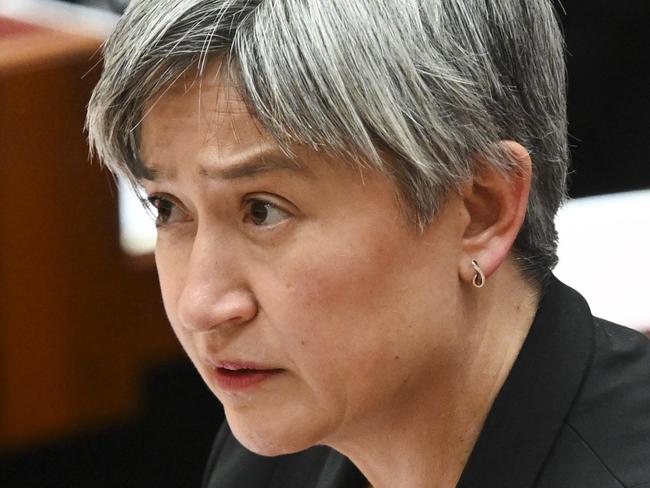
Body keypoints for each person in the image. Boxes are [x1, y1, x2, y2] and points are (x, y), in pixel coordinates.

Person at [86, 1, 650, 487]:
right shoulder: (276, 458)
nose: (200, 306)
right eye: (167, 207)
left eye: (262, 211)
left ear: (482, 212)